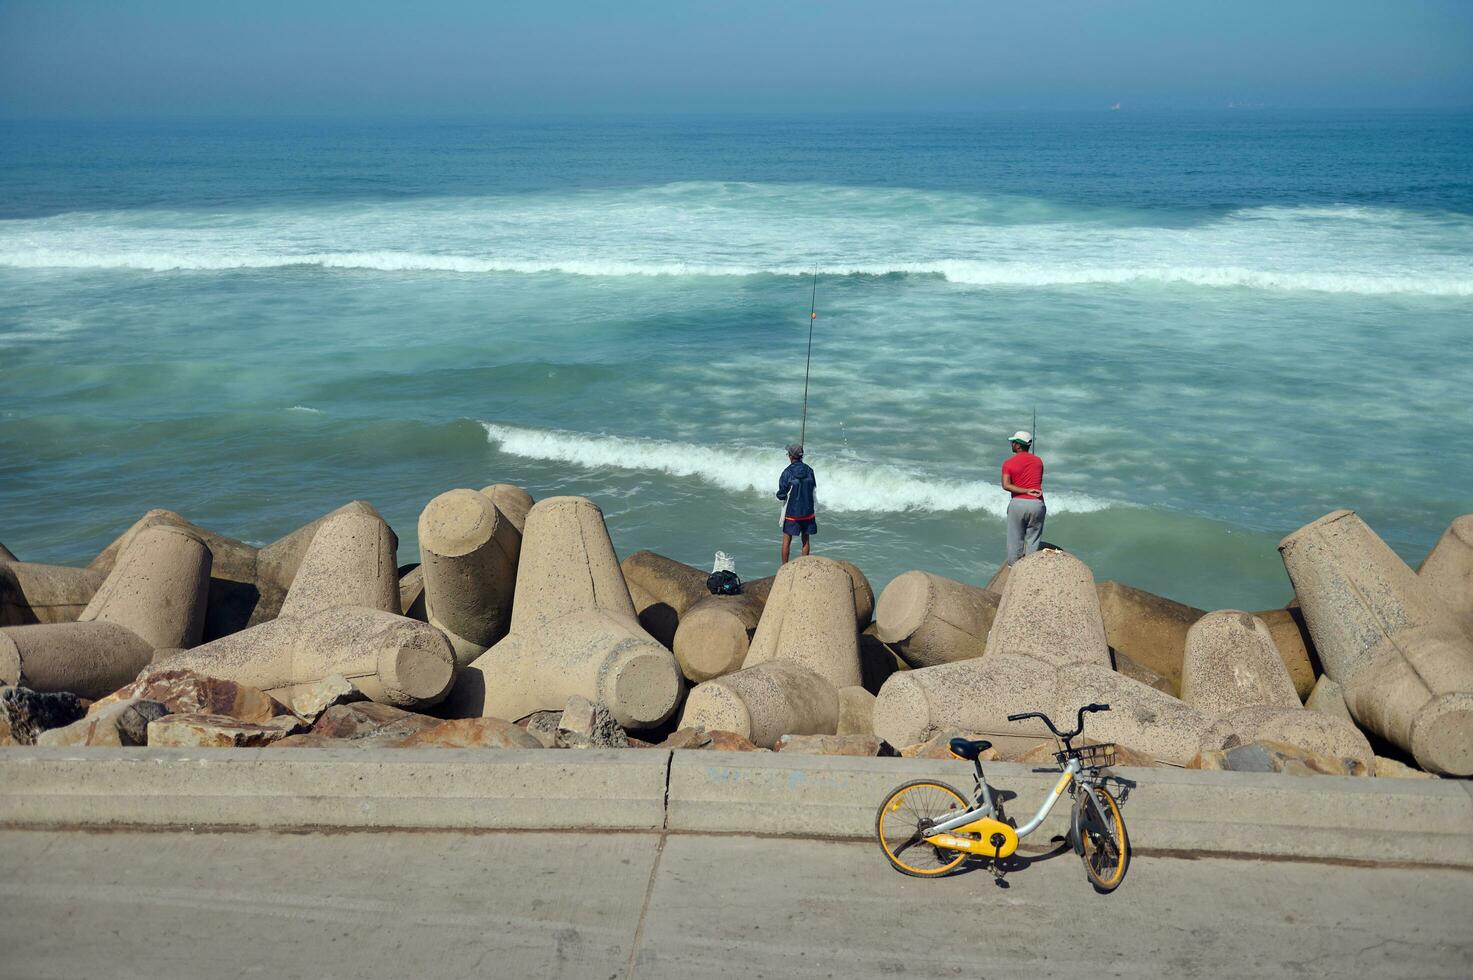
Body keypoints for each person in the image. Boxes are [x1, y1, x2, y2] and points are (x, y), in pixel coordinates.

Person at [1001, 429, 1045, 565]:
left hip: (1018, 504)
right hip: (1037, 504)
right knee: (1033, 539)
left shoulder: (1008, 463)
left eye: (1013, 442)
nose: (1012, 444)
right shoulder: (1039, 462)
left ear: (1018, 445)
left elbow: (1006, 485)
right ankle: (1030, 569)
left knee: (1015, 540)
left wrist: (1025, 491)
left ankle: (1014, 569)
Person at [776, 443, 817, 564]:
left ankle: (784, 568)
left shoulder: (787, 472)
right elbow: (814, 487)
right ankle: (803, 566)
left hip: (792, 512)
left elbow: (782, 493)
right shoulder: (809, 471)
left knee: (786, 540)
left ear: (790, 456)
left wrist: (780, 495)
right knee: (805, 540)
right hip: (808, 511)